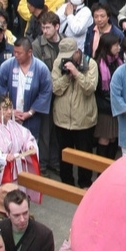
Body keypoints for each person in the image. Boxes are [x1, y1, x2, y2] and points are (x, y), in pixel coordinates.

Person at [51, 38, 98, 188]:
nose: (67, 59)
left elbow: (90, 88)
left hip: (84, 119)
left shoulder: (91, 64)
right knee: (64, 154)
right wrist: (67, 76)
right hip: (62, 119)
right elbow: (55, 88)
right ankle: (67, 183)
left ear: (78, 52)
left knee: (84, 153)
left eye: (70, 55)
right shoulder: (58, 64)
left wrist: (77, 73)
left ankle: (85, 183)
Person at [0, 37, 53, 139]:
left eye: (19, 53)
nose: (16, 55)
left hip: (32, 117)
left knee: (30, 147)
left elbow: (45, 92)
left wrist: (30, 112)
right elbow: (0, 92)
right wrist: (10, 110)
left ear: (29, 52)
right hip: (9, 116)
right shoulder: (6, 66)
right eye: (14, 52)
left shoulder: (41, 68)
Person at [0, 94, 40, 191]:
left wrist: (29, 146)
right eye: (5, 109)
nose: (9, 112)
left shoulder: (14, 125)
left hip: (17, 169)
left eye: (10, 108)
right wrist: (3, 157)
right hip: (2, 173)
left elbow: (26, 137)